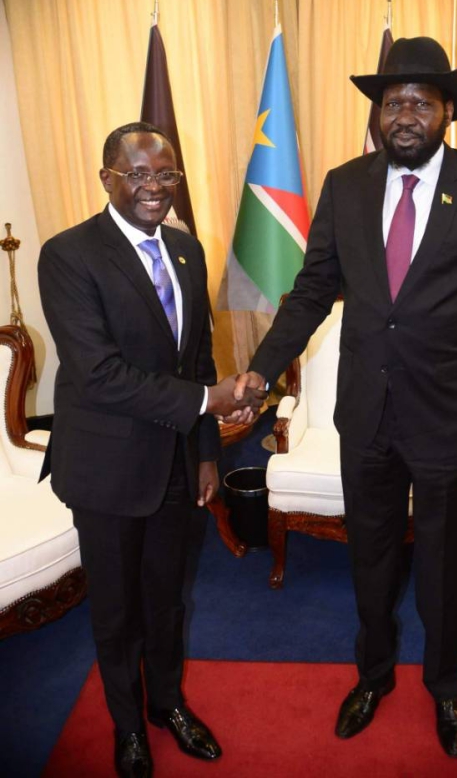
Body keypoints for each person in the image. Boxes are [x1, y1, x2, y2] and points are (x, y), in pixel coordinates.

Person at [236, 38, 457, 757]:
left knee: (442, 561)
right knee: (370, 555)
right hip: (364, 417)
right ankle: (372, 673)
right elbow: (311, 291)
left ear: (448, 113)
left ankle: (446, 683)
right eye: (391, 101)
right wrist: (260, 369)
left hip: (450, 422)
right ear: (377, 112)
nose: (404, 114)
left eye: (421, 102)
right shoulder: (344, 185)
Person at [38, 122, 266, 777]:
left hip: (173, 465)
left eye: (165, 175)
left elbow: (197, 359)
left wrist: (204, 453)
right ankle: (127, 725)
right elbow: (99, 373)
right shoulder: (68, 255)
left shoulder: (189, 252)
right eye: (138, 173)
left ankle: (168, 704)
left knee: (167, 598)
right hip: (106, 472)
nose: (154, 187)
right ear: (106, 175)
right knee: (116, 611)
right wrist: (207, 403)